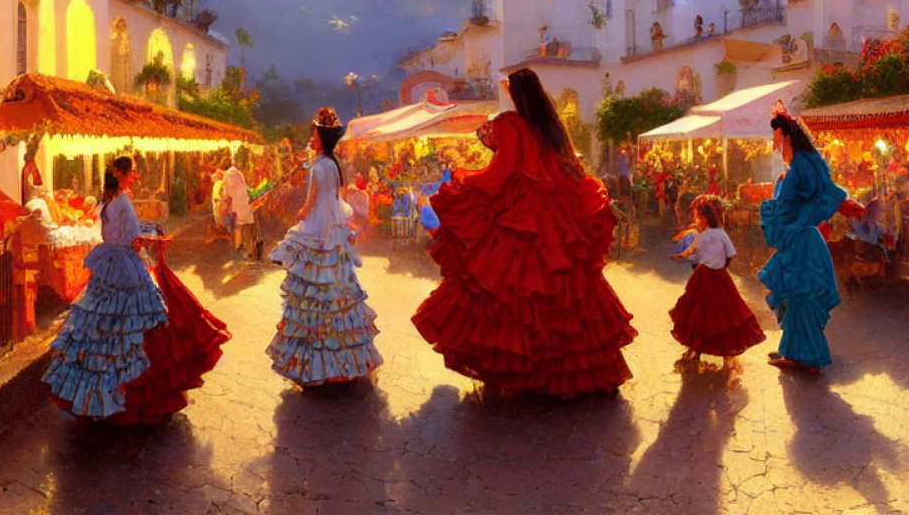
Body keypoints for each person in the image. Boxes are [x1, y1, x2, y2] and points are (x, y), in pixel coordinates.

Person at [412, 68, 637, 396]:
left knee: (513, 291)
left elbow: (502, 169)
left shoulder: (512, 124)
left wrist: (465, 179)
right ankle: (569, 372)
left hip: (522, 215)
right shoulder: (549, 126)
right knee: (564, 290)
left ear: (514, 93)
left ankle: (523, 373)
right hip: (552, 215)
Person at [42, 157, 230, 422]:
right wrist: (155, 240)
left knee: (103, 324)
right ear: (121, 174)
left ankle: (95, 396)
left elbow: (120, 233)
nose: (134, 176)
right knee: (132, 324)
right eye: (131, 173)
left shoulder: (107, 201)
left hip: (109, 260)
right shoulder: (121, 202)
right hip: (125, 264)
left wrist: (146, 237)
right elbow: (133, 238)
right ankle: (127, 395)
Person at [266, 107, 382, 386]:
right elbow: (334, 197)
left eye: (315, 133)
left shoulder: (320, 165)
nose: (312, 137)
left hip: (318, 226)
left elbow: (314, 198)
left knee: (312, 292)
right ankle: (343, 363)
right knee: (335, 292)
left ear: (321, 137)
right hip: (332, 229)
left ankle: (318, 366)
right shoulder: (332, 164)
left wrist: (303, 212)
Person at [758, 103, 861, 376]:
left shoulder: (800, 166)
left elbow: (801, 201)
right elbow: (826, 191)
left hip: (801, 240)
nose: (774, 142)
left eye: (776, 136)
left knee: (799, 297)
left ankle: (803, 358)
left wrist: (768, 205)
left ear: (785, 135)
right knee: (796, 298)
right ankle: (794, 351)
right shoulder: (802, 163)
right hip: (803, 238)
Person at [669, 195, 765, 370]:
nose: (696, 220)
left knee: (698, 313)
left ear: (706, 217)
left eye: (698, 216)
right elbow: (730, 254)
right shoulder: (721, 234)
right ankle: (726, 354)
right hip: (720, 277)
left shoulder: (704, 235)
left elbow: (694, 254)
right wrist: (721, 266)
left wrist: (683, 257)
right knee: (724, 314)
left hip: (703, 276)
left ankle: (695, 351)